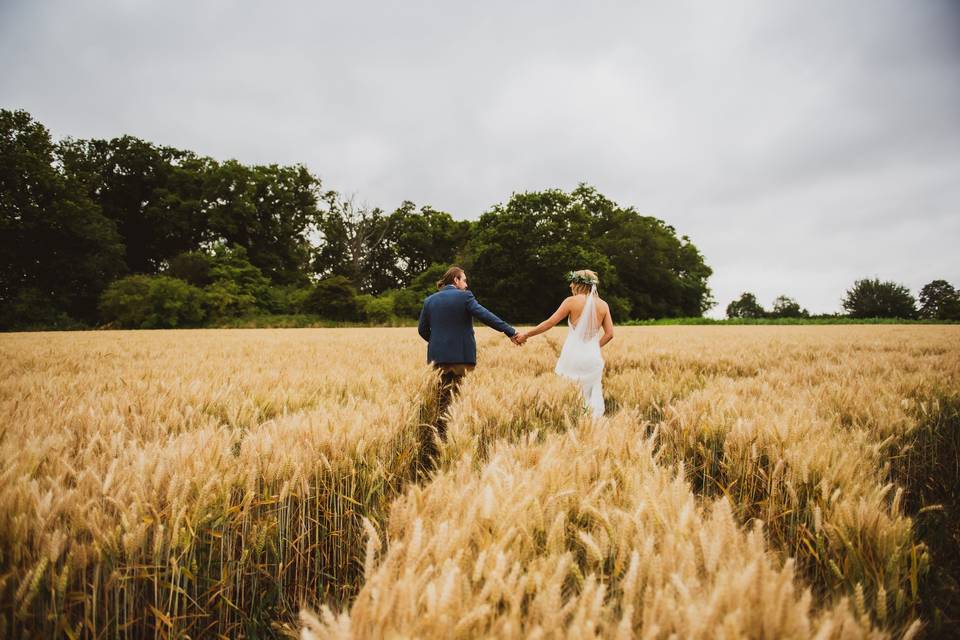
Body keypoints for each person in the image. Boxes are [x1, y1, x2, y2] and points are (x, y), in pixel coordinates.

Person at [418, 266, 523, 439]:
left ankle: (440, 435)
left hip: (438, 358)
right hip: (461, 357)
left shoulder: (429, 300)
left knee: (442, 398)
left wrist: (439, 343)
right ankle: (456, 435)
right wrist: (510, 331)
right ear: (456, 280)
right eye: (464, 280)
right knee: (460, 395)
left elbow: (422, 330)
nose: (466, 284)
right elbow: (485, 315)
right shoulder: (465, 297)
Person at [516, 269, 614, 417]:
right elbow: (610, 334)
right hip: (592, 357)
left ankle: (573, 423)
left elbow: (549, 323)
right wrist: (592, 347)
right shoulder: (603, 305)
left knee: (571, 394)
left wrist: (526, 335)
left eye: (572, 282)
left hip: (573, 356)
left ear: (578, 284)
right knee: (591, 395)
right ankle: (592, 427)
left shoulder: (571, 302)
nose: (570, 285)